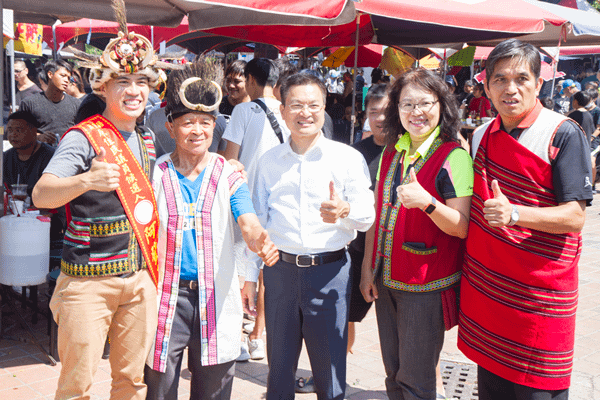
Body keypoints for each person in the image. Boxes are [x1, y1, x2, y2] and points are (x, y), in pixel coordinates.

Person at [31, 6, 181, 397]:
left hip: (138, 280)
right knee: (76, 385)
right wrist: (87, 180)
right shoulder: (82, 137)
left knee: (131, 382)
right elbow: (41, 194)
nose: (133, 90)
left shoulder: (149, 138)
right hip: (86, 284)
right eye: (122, 82)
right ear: (103, 88)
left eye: (140, 81)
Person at [458, 38, 593, 400]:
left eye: (521, 78)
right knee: (492, 385)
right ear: (486, 86)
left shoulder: (561, 133)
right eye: (499, 79)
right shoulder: (482, 134)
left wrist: (515, 214)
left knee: (536, 388)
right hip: (491, 286)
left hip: (539, 292)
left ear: (538, 83)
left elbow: (575, 216)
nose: (510, 89)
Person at [145, 57, 279, 400]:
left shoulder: (228, 173)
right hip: (165, 299)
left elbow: (247, 220)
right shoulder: (155, 173)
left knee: (214, 390)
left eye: (206, 122)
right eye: (188, 122)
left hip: (216, 297)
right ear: (171, 127)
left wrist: (259, 240)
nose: (197, 130)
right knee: (158, 387)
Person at [250, 72, 375, 400]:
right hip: (280, 273)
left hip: (329, 272)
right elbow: (257, 222)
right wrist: (250, 275)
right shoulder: (268, 162)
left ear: (323, 109)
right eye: (296, 105)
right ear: (283, 109)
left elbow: (367, 215)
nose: (304, 113)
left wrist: (344, 210)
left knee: (330, 373)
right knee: (278, 370)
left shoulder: (346, 158)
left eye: (313, 105)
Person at [360, 68, 473, 400]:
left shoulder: (454, 157)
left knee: (417, 378)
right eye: (406, 104)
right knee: (393, 372)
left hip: (425, 285)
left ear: (441, 106)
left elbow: (462, 225)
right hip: (386, 281)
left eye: (425, 103)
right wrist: (368, 267)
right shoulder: (392, 151)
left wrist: (428, 204)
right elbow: (377, 214)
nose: (415, 112)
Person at [222, 58, 290, 361]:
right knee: (266, 272)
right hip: (280, 203)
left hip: (245, 202)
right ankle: (258, 336)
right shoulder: (290, 110)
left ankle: (236, 337)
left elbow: (229, 159)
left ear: (250, 79)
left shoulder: (242, 111)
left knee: (240, 270)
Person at [19, 59, 81, 146]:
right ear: (50, 74)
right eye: (63, 75)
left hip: (67, 154)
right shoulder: (29, 103)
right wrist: (38, 137)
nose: (66, 80)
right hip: (39, 155)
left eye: (68, 77)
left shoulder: (76, 104)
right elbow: (20, 132)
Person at [3, 110, 54, 196]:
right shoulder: (5, 158)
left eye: (18, 130)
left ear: (33, 131)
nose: (13, 134)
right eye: (10, 130)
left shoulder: (50, 156)